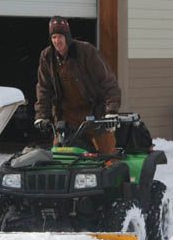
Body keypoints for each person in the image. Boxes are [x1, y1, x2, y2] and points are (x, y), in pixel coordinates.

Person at [33, 16, 121, 154]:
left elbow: (108, 81)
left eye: (60, 36)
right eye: (54, 37)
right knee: (60, 154)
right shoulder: (47, 56)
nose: (57, 41)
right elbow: (44, 88)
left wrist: (111, 111)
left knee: (106, 154)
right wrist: (42, 115)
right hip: (67, 116)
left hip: (94, 113)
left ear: (67, 37)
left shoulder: (86, 52)